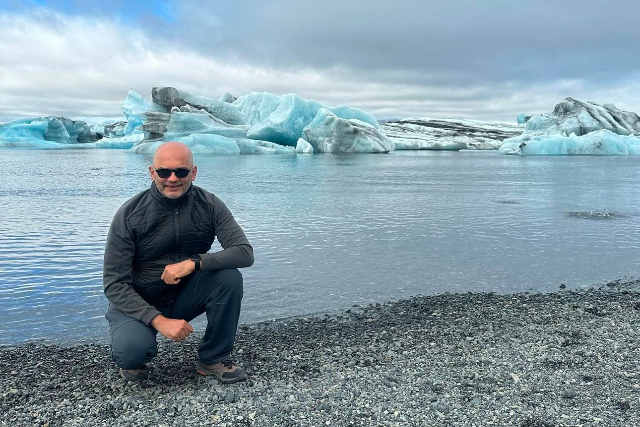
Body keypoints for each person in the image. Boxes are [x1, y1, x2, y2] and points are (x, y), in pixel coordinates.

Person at [103, 141, 254, 383]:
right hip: (139, 300)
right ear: (152, 172)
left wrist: (194, 263)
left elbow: (244, 252)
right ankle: (137, 346)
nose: (172, 178)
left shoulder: (210, 205)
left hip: (185, 295)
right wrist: (159, 321)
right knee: (131, 355)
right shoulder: (129, 214)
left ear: (193, 172)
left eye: (181, 172)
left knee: (229, 277)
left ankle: (214, 357)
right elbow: (113, 284)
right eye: (164, 172)